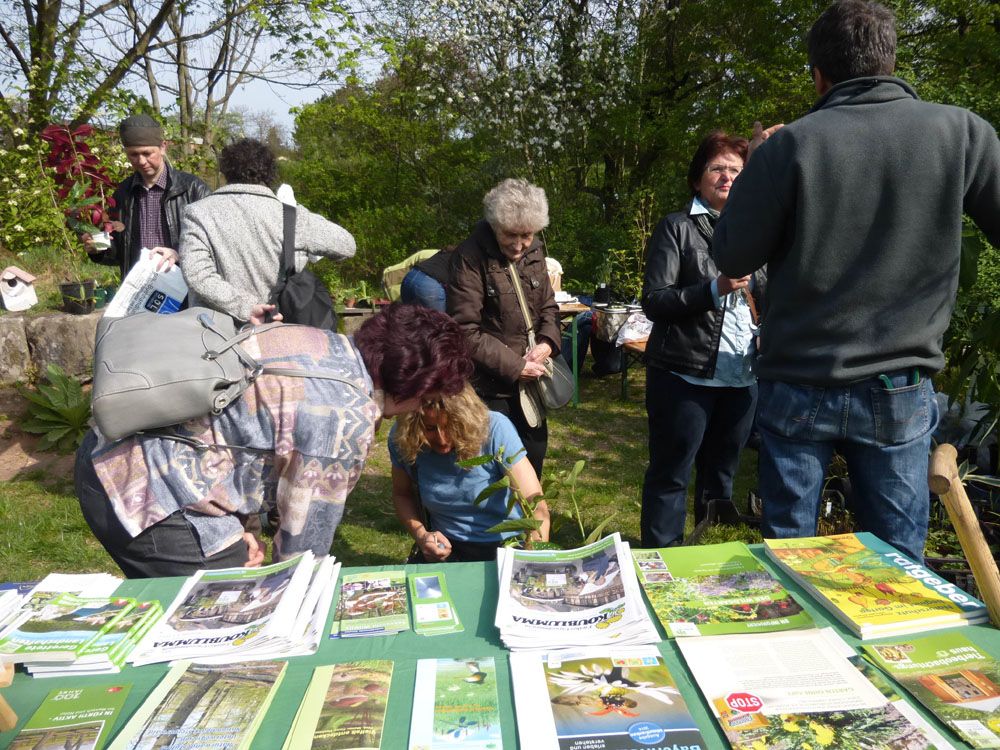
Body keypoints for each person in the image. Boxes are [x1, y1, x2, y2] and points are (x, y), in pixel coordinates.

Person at [712, 0, 1000, 563]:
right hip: (900, 382)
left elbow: (733, 255)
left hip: (798, 378)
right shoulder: (963, 132)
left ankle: (795, 647)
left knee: (792, 564)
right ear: (890, 61)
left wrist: (761, 160)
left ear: (819, 76)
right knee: (896, 568)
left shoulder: (790, 145)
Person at [74, 304, 473, 578]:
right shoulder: (345, 416)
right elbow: (303, 544)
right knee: (225, 629)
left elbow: (241, 433)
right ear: (416, 384)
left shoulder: (318, 341)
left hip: (109, 453)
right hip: (148, 497)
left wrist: (241, 525)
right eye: (429, 396)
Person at [639, 131, 766, 548]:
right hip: (684, 374)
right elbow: (655, 301)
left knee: (722, 478)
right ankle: (662, 562)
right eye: (717, 168)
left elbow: (772, 295)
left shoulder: (760, 231)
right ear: (698, 179)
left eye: (735, 170)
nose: (727, 177)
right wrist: (715, 288)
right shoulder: (677, 228)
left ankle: (708, 563)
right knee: (671, 473)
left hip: (742, 377)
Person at [448, 178, 560, 478]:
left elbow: (548, 306)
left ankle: (529, 523)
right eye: (511, 235)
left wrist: (548, 342)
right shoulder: (469, 258)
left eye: (527, 235)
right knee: (494, 464)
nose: (520, 245)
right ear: (495, 225)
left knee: (534, 453)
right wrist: (515, 366)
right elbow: (465, 330)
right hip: (489, 383)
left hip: (531, 381)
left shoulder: (534, 251)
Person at [179, 138, 356, 322]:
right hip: (276, 331)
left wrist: (246, 307)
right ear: (270, 173)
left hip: (214, 337)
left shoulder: (196, 212)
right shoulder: (290, 216)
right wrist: (298, 247)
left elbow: (197, 275)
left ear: (225, 172)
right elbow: (347, 245)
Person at [389, 384, 550, 562]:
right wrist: (421, 535)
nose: (442, 439)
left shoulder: (495, 428)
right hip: (447, 546)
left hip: (507, 544)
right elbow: (402, 494)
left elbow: (536, 505)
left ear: (467, 420)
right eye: (430, 429)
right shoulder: (403, 437)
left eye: (451, 426)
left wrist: (533, 561)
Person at [85, 113, 211, 277]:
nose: (141, 161)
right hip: (140, 287)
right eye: (134, 155)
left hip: (186, 285)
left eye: (147, 153)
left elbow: (214, 243)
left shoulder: (192, 189)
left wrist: (179, 254)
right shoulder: (122, 194)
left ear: (163, 147)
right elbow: (119, 254)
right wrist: (98, 249)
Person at [399, 247, 456, 311]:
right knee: (438, 319)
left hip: (409, 277)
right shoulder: (462, 257)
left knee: (410, 318)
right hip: (428, 284)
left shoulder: (447, 252)